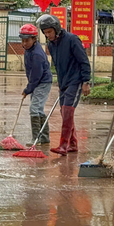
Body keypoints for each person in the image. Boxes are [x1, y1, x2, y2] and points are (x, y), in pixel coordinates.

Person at [37, 14, 91, 156]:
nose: (48, 35)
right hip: (64, 81)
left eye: (50, 31)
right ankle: (73, 143)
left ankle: (63, 145)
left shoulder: (72, 40)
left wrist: (86, 81)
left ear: (56, 29)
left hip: (76, 80)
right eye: (45, 32)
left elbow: (84, 61)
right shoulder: (51, 44)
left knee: (68, 111)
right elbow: (58, 66)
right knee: (64, 112)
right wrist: (60, 83)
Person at [20, 24, 53, 145]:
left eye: (27, 40)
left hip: (43, 82)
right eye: (22, 40)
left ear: (34, 39)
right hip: (36, 82)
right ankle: (44, 137)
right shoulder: (29, 50)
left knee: (34, 108)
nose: (24, 43)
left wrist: (28, 89)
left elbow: (36, 75)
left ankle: (36, 139)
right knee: (38, 109)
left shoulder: (37, 54)